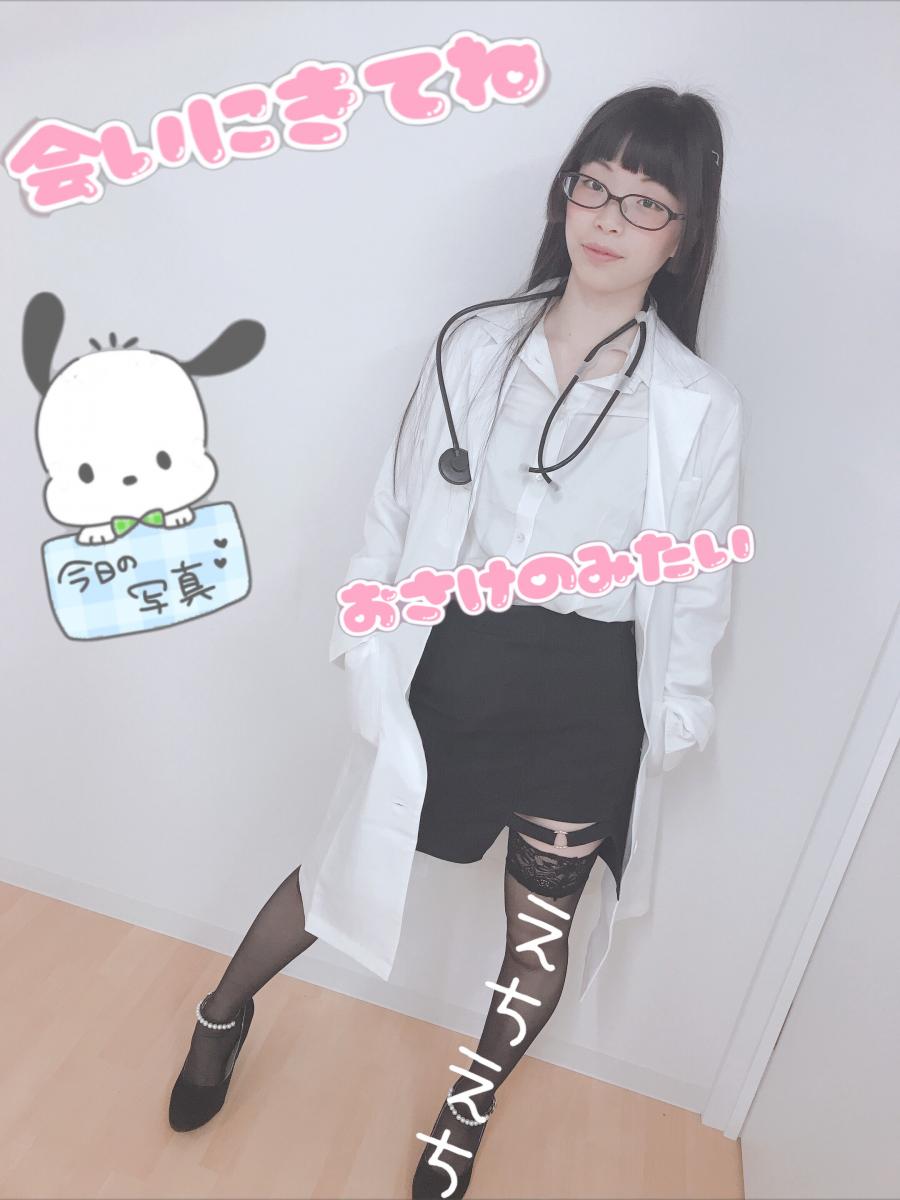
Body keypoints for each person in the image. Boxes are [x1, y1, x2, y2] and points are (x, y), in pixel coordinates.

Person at [168, 84, 744, 1200]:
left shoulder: (698, 404)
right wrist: (362, 634)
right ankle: (222, 1012)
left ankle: (466, 1112)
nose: (609, 218)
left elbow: (697, 577)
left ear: (682, 237)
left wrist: (675, 714)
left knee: (539, 932)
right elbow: (395, 507)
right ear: (563, 193)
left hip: (590, 692)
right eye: (594, 186)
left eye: (646, 202)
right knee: (342, 867)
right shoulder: (475, 345)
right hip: (456, 656)